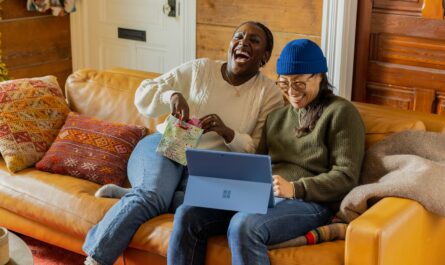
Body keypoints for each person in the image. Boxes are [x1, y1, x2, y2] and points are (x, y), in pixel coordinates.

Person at [82, 21, 284, 265]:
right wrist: (172, 95)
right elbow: (144, 93)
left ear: (264, 56)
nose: (243, 42)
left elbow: (257, 149)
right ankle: (96, 257)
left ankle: (135, 193)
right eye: (238, 37)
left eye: (253, 40)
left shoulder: (269, 93)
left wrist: (227, 133)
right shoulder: (201, 69)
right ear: (230, 45)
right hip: (168, 144)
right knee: (152, 196)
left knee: (203, 203)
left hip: (209, 168)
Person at [167, 39, 366, 265]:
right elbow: (259, 165)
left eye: (299, 84)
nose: (291, 92)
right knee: (188, 213)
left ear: (319, 76)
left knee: (244, 225)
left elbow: (347, 176)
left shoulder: (341, 113)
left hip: (310, 202)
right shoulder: (277, 117)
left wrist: (296, 188)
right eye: (284, 83)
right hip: (264, 195)